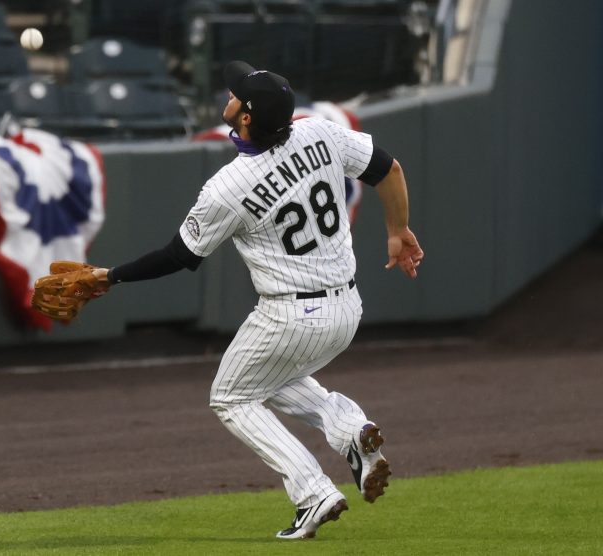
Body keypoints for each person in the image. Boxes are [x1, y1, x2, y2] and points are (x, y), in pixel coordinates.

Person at [91, 60, 424, 539]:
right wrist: (397, 230)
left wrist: (111, 276)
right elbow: (387, 168)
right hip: (347, 308)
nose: (227, 94)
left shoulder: (230, 186)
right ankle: (349, 427)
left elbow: (179, 256)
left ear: (245, 116)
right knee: (268, 381)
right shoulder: (320, 135)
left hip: (291, 312)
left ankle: (313, 493)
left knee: (230, 397)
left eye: (235, 93)